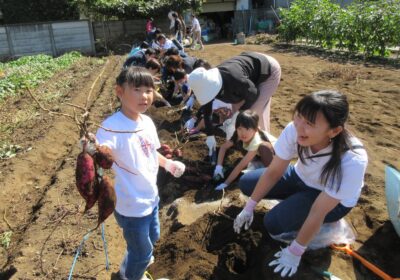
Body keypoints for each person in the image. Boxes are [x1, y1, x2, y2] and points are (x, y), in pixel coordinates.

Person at [233, 90, 368, 277]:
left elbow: (319, 210)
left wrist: (295, 251)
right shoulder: (295, 129)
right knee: (247, 182)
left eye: (309, 123)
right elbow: (274, 171)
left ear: (334, 131)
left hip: (330, 200)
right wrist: (249, 207)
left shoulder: (352, 159)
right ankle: (296, 204)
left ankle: (325, 224)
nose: (299, 127)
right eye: (298, 117)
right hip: (300, 176)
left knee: (273, 223)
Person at [96, 67, 185, 280]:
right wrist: (93, 148)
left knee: (153, 236)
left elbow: (151, 153)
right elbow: (101, 152)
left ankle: (130, 264)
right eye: (137, 89)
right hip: (131, 204)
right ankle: (131, 276)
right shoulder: (111, 127)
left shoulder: (146, 122)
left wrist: (168, 164)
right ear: (119, 91)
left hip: (150, 197)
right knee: (143, 253)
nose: (145, 96)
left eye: (149, 90)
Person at [187, 51, 281, 157]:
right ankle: (247, 143)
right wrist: (210, 136)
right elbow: (207, 112)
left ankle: (268, 151)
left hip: (268, 70)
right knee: (240, 115)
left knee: (252, 115)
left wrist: (240, 113)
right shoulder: (208, 83)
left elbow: (253, 94)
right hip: (249, 76)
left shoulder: (234, 79)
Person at [213, 110, 275, 191]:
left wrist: (226, 183)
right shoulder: (238, 134)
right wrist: (219, 166)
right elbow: (223, 147)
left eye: (248, 129)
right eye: (240, 128)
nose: (243, 133)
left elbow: (240, 167)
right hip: (254, 159)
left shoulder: (256, 141)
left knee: (264, 147)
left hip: (268, 162)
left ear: (255, 129)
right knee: (236, 165)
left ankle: (272, 181)